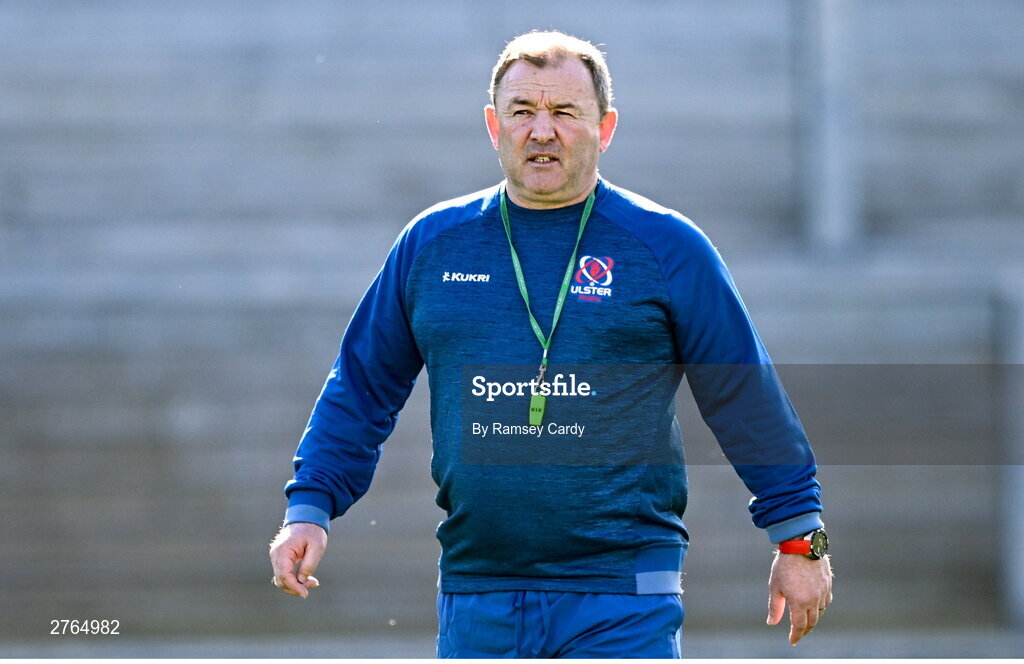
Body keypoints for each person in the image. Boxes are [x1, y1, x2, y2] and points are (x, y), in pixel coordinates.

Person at [270, 30, 832, 658]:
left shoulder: (667, 246)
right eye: (522, 112)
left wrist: (801, 541)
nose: (542, 131)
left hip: (627, 594)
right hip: (479, 589)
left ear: (606, 126)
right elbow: (361, 387)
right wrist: (310, 505)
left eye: (565, 112)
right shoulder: (431, 244)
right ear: (493, 125)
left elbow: (744, 396)